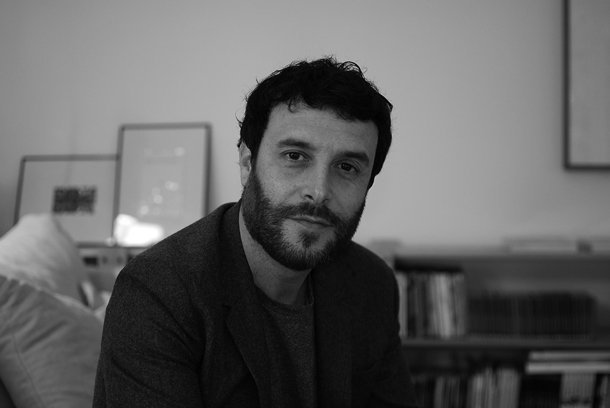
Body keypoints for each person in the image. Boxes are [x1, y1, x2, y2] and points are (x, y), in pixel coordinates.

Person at [93, 57, 419, 408]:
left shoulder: (372, 284)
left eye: (347, 167)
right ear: (248, 163)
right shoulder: (158, 293)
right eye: (295, 156)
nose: (319, 191)